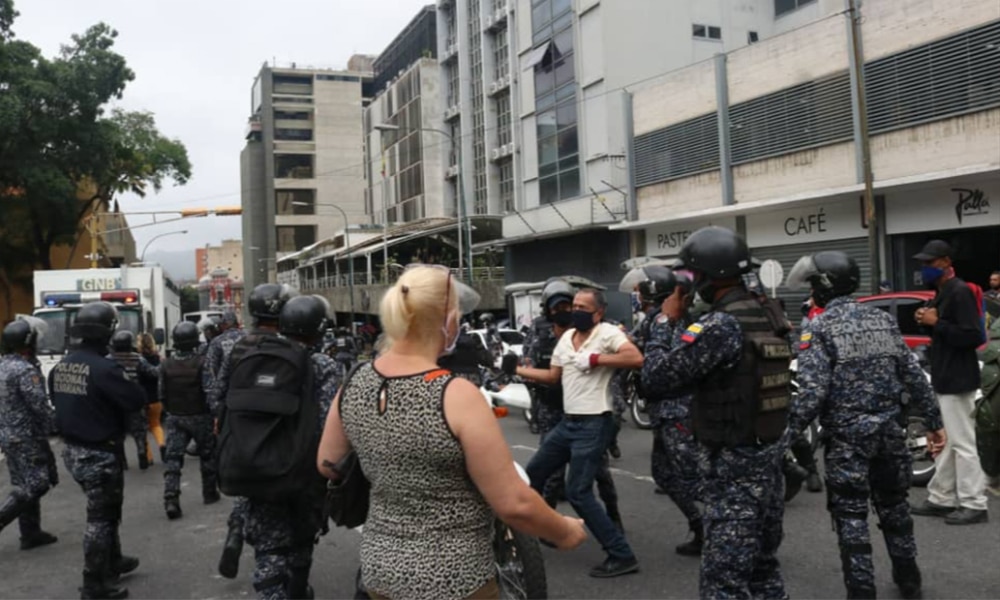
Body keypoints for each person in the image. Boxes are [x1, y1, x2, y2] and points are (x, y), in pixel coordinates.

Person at [318, 265, 587, 600]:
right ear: (446, 320)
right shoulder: (455, 394)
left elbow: (328, 462)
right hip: (453, 581)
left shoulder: (355, 381)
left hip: (379, 573)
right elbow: (513, 503)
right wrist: (565, 531)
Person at [786, 250, 946, 599]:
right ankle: (909, 579)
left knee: (851, 515)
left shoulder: (818, 327)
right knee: (895, 508)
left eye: (814, 285)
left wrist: (782, 437)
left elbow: (812, 394)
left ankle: (862, 589)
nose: (810, 293)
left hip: (848, 441)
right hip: (890, 434)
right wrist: (934, 423)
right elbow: (913, 375)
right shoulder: (882, 321)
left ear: (826, 286)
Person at [642, 226, 789, 598]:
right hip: (768, 467)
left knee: (722, 585)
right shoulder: (769, 314)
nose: (687, 286)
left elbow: (656, 379)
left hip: (733, 472)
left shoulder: (721, 326)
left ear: (708, 277)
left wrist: (664, 321)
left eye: (691, 277)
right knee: (763, 574)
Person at [511, 287, 643, 578]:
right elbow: (552, 376)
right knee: (533, 475)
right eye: (575, 305)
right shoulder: (567, 339)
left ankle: (621, 554)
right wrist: (518, 371)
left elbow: (635, 358)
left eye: (584, 307)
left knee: (578, 491)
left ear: (599, 313)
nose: (577, 310)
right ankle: (547, 529)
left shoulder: (607, 333)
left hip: (595, 422)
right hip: (569, 423)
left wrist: (597, 360)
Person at [241, 295, 339, 599]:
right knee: (300, 544)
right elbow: (327, 424)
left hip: (257, 466)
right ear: (319, 329)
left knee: (269, 550)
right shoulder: (322, 364)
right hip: (303, 474)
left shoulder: (254, 355)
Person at [50, 302, 146, 599]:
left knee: (107, 510)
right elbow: (135, 399)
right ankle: (93, 583)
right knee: (100, 519)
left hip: (74, 451)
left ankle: (113, 560)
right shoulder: (105, 368)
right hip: (99, 453)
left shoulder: (61, 366)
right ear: (109, 331)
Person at [518, 278, 625, 530]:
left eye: (570, 306)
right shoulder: (538, 330)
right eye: (557, 308)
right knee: (550, 473)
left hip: (588, 409)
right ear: (547, 309)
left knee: (600, 471)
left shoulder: (600, 329)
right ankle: (549, 523)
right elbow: (531, 364)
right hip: (553, 406)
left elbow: (620, 364)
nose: (565, 312)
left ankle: (614, 518)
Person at [210, 285, 296, 580]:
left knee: (249, 482)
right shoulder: (293, 346)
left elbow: (219, 391)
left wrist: (222, 423)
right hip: (279, 429)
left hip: (241, 427)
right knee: (275, 495)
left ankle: (237, 525)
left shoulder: (238, 347)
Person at [910, 240, 989, 524]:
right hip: (945, 375)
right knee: (946, 440)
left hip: (958, 378)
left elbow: (973, 336)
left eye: (929, 263)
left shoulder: (960, 291)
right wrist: (924, 319)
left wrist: (936, 323)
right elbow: (944, 330)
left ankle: (974, 503)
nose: (925, 268)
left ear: (945, 262)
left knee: (964, 443)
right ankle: (942, 497)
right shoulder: (941, 292)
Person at [637, 266, 705, 556]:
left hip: (678, 410)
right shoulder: (654, 320)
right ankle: (700, 525)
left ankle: (725, 531)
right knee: (663, 473)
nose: (637, 296)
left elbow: (662, 368)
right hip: (662, 411)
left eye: (642, 291)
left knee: (691, 476)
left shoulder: (671, 322)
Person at [0, 317, 59, 550]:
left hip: (8, 435)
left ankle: (31, 532)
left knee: (24, 481)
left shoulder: (4, 365)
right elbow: (39, 405)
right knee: (36, 484)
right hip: (26, 436)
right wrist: (57, 426)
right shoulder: (24, 370)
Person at [160, 321, 219, 520]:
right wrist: (216, 415)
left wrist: (170, 412)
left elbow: (162, 393)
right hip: (200, 415)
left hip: (176, 416)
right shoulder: (202, 362)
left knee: (173, 460)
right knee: (207, 456)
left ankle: (171, 498)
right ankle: (209, 493)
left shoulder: (166, 363)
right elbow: (209, 391)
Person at [108, 330, 160, 470]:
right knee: (139, 431)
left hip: (115, 402)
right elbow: (153, 372)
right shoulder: (137, 358)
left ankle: (122, 461)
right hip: (135, 399)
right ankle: (142, 454)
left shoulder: (108, 359)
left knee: (118, 433)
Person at [137, 332, 165, 462]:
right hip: (156, 398)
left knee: (143, 428)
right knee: (156, 424)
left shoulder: (138, 360)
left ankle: (148, 457)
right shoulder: (158, 358)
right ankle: (162, 444)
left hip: (143, 399)